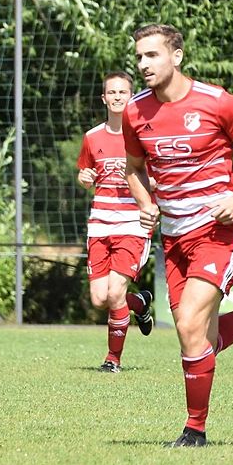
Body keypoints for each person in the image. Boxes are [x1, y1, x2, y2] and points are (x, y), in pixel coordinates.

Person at [123, 24, 233, 447]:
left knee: (188, 324)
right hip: (174, 239)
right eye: (140, 56)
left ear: (177, 56)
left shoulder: (217, 102)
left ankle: (195, 431)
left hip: (217, 233)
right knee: (197, 337)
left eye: (152, 55)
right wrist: (146, 203)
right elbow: (133, 168)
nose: (144, 63)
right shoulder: (134, 111)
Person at [76, 71, 155, 373]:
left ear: (131, 97)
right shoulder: (92, 137)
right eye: (112, 92)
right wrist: (84, 178)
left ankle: (113, 359)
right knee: (100, 299)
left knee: (114, 293)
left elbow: (159, 178)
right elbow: (85, 173)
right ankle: (140, 304)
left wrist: (143, 187)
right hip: (100, 225)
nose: (118, 97)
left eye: (123, 92)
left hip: (133, 224)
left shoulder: (145, 136)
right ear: (104, 98)